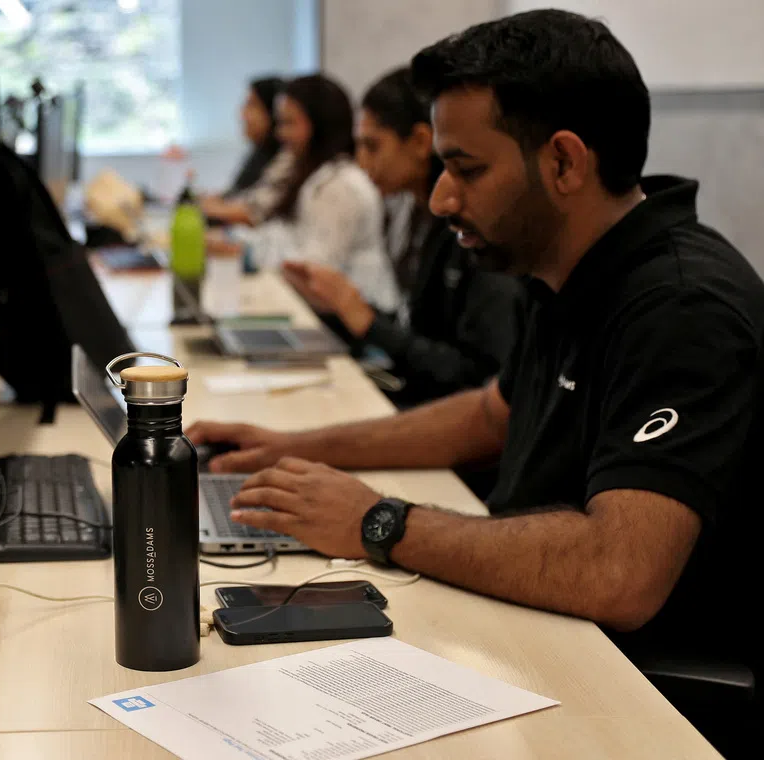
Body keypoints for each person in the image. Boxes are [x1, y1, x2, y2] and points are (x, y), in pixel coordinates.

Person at [189, 10, 763, 753]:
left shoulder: (682, 307)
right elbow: (491, 415)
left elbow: (619, 572)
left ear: (563, 163)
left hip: (628, 692)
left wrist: (378, 522)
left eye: (466, 169)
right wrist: (292, 445)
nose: (439, 200)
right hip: (537, 629)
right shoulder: (564, 264)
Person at [283, 67, 524, 405]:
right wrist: (345, 308)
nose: (362, 163)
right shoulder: (410, 214)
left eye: (372, 146)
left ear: (421, 142)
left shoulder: (472, 227)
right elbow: (419, 331)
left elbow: (472, 377)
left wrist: (365, 320)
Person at [227, 74, 401, 312]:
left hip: (361, 319)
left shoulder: (339, 184)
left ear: (319, 125)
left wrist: (246, 252)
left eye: (289, 123)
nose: (280, 133)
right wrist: (239, 246)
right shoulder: (312, 174)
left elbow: (314, 269)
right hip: (332, 312)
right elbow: (287, 236)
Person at [200, 77, 292, 227]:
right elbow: (238, 196)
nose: (242, 114)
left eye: (252, 105)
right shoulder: (260, 153)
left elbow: (256, 212)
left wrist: (209, 208)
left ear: (274, 114)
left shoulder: (286, 159)